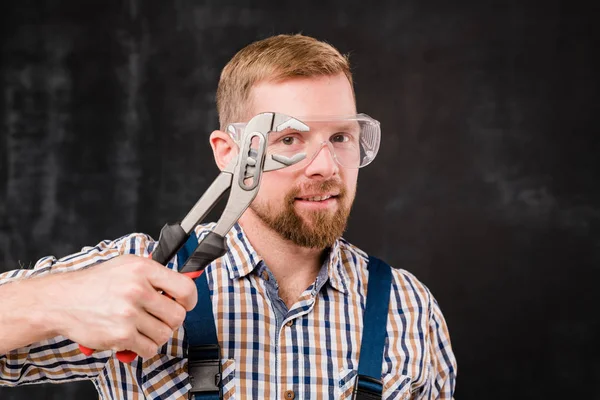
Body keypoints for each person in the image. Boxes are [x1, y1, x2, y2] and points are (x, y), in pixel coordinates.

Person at [0, 34, 456, 399]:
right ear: (229, 154)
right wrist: (57, 299)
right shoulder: (136, 276)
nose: (325, 166)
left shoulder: (408, 306)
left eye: (340, 136)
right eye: (289, 140)